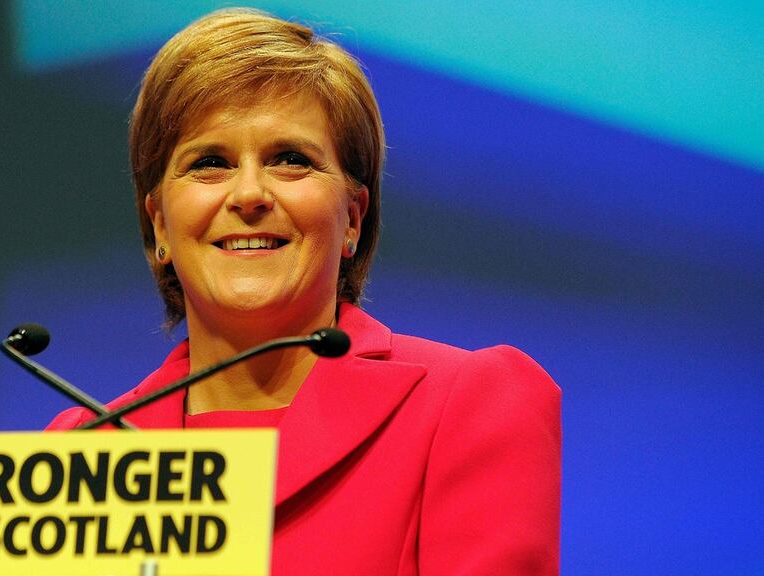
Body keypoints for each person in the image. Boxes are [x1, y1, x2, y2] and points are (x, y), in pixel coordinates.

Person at [48, 8, 561, 574]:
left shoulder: (467, 406)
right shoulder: (85, 452)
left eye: (291, 160)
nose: (249, 194)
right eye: (210, 163)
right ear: (161, 225)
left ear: (352, 219)